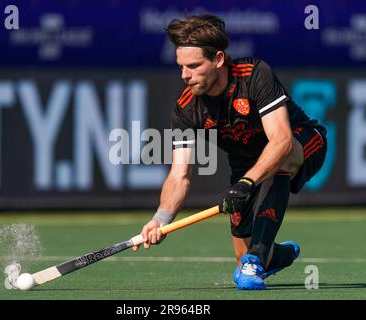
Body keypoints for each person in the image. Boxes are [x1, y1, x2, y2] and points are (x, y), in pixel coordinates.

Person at [132, 13, 327, 290]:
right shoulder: (186, 107)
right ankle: (275, 255)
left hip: (301, 143)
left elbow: (281, 141)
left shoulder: (255, 75)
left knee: (279, 161)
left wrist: (247, 183)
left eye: (193, 66)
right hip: (246, 161)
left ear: (219, 60)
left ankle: (258, 258)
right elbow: (179, 175)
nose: (184, 75)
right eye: (181, 67)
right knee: (242, 260)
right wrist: (159, 221)